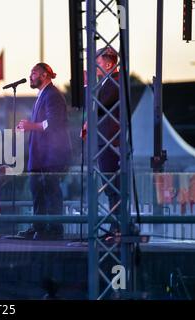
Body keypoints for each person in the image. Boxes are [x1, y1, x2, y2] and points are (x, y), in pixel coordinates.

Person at [16, 63, 72, 240]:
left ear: (45, 75)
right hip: (40, 155)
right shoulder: (44, 94)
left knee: (50, 192)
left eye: (34, 73)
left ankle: (54, 229)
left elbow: (52, 122)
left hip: (51, 156)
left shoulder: (53, 95)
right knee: (37, 191)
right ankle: (38, 226)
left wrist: (30, 126)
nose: (30, 76)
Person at [81, 46, 121, 239]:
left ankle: (118, 228)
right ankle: (115, 227)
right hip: (104, 141)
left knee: (113, 186)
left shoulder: (115, 83)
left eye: (96, 63)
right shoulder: (107, 83)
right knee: (110, 187)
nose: (94, 66)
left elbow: (97, 107)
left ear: (108, 64)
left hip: (110, 142)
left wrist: (88, 85)